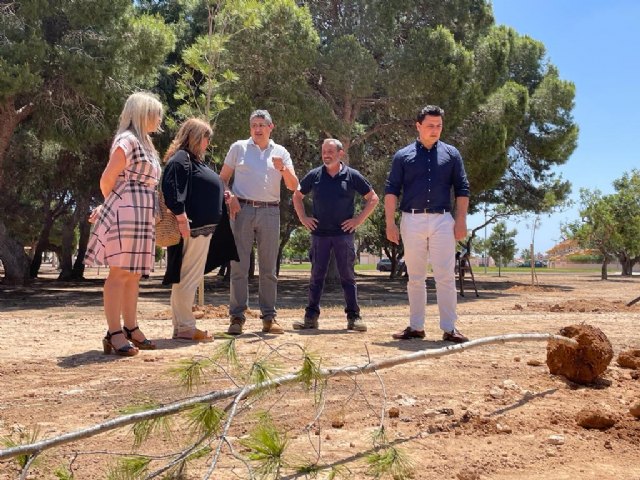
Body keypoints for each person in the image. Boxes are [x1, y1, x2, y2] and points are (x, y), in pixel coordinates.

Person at [85, 92, 163, 356]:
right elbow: (107, 178)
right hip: (127, 211)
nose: (160, 118)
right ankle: (114, 332)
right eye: (155, 112)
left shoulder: (147, 143)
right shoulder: (127, 140)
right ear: (142, 113)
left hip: (142, 212)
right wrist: (116, 205)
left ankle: (130, 327)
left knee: (133, 272)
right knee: (119, 272)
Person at [384, 105, 470, 343]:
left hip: (443, 220)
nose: (435, 130)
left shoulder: (452, 154)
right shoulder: (403, 156)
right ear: (418, 126)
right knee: (415, 276)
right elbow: (391, 190)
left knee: (445, 275)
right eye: (430, 125)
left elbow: (462, 189)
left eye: (439, 125)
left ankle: (450, 328)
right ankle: (416, 326)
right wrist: (390, 223)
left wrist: (461, 220)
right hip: (411, 220)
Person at [220, 110, 298, 335]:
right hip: (241, 210)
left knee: (268, 269)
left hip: (270, 211)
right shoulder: (238, 148)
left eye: (262, 124)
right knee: (239, 267)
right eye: (254, 124)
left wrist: (282, 168)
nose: (257, 128)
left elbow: (293, 186)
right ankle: (236, 317)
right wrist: (229, 196)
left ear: (271, 127)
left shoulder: (281, 152)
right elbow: (222, 179)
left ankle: (269, 317)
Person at [292, 139, 379, 331]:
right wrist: (303, 218)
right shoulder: (314, 175)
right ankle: (310, 317)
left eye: (330, 151)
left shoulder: (352, 175)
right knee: (316, 277)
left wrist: (358, 220)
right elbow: (297, 196)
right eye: (324, 151)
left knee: (347, 276)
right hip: (319, 235)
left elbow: (373, 198)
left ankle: (354, 318)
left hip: (343, 235)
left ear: (340, 154)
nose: (326, 155)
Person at [161, 118, 222, 342]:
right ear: (196, 137)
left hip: (199, 227)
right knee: (187, 277)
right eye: (206, 137)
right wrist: (181, 216)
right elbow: (171, 187)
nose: (208, 142)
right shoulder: (181, 159)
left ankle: (181, 327)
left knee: (186, 278)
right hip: (193, 227)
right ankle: (186, 327)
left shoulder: (190, 159)